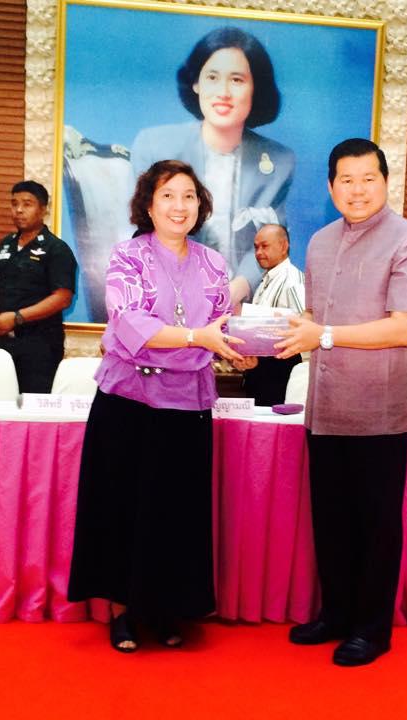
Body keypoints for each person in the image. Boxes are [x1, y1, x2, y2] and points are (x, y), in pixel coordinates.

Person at [68, 159, 244, 653]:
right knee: (122, 507)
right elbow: (129, 324)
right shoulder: (127, 256)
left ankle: (167, 609)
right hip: (128, 403)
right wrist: (196, 338)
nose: (178, 206)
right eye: (167, 196)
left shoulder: (214, 265)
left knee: (175, 513)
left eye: (188, 196)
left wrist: (241, 347)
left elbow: (222, 327)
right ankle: (122, 613)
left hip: (187, 405)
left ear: (200, 206)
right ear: (148, 205)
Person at [276, 139, 407, 666]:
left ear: (386, 181)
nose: (358, 190)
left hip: (378, 411)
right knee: (330, 520)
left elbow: (403, 328)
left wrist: (322, 336)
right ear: (331, 188)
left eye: (368, 178)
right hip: (324, 407)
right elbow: (313, 321)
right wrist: (281, 334)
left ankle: (372, 629)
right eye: (346, 180)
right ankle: (336, 613)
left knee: (375, 524)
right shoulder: (320, 242)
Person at [132, 26, 295, 306]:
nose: (223, 92)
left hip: (242, 302)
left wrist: (234, 292)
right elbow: (140, 233)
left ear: (256, 88)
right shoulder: (154, 147)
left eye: (237, 80)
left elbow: (270, 243)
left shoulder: (278, 161)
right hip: (165, 295)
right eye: (212, 77)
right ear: (196, 83)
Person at [0, 181, 77, 394]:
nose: (19, 210)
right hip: (5, 342)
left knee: (33, 405)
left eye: (27, 204)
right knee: (3, 400)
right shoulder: (6, 244)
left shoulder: (56, 249)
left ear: (43, 209)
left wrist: (17, 318)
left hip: (40, 346)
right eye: (14, 204)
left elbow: (63, 297)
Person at [231, 223, 305, 405]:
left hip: (280, 375)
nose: (259, 253)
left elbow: (304, 325)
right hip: (260, 372)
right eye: (256, 247)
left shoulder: (292, 280)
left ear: (283, 246)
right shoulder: (266, 280)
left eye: (265, 246)